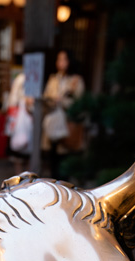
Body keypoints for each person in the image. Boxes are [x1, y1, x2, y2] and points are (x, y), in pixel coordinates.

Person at [42, 50, 85, 178]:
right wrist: (52, 101)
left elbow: (80, 103)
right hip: (53, 124)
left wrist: (64, 102)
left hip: (67, 124)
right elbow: (46, 97)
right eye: (58, 59)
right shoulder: (53, 79)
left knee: (65, 160)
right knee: (53, 159)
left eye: (63, 59)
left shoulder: (76, 81)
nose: (60, 63)